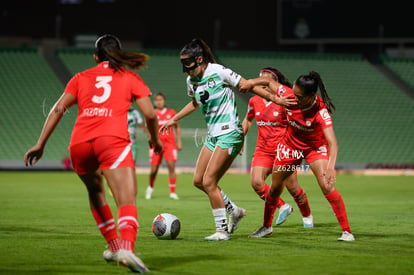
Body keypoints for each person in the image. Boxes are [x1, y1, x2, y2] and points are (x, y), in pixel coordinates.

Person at [24, 34, 163, 272]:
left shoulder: (80, 77)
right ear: (118, 54)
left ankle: (114, 246)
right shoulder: (130, 78)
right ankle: (127, 250)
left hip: (79, 143)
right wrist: (154, 139)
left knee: (96, 191)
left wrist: (40, 144)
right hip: (112, 141)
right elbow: (150, 115)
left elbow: (58, 109)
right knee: (126, 198)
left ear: (95, 56)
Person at [159, 38, 295, 241]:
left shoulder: (219, 71)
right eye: (184, 66)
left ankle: (222, 231)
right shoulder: (191, 81)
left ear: (199, 59)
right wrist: (173, 119)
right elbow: (196, 103)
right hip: (213, 135)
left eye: (189, 66)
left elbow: (247, 85)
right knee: (198, 181)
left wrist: (276, 99)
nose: (186, 71)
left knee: (209, 181)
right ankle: (235, 211)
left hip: (230, 132)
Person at [250, 71, 355, 241]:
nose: (294, 99)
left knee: (326, 186)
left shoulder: (320, 112)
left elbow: (332, 142)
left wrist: (330, 167)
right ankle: (266, 227)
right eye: (294, 92)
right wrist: (250, 83)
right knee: (275, 187)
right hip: (290, 145)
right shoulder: (290, 94)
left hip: (314, 148)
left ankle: (347, 232)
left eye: (299, 96)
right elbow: (268, 83)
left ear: (311, 96)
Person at [242, 67, 313, 232]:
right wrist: (238, 140)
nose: (263, 83)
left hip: (284, 151)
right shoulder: (254, 101)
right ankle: (283, 206)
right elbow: (247, 121)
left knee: (293, 188)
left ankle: (307, 215)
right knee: (256, 182)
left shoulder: (285, 102)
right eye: (260, 79)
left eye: (266, 80)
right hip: (263, 150)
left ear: (275, 83)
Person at [146, 92, 182, 200]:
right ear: (154, 102)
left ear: (164, 101)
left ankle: (172, 192)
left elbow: (177, 127)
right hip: (156, 144)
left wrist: (179, 141)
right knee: (154, 170)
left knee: (171, 167)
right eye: (156, 100)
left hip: (169, 144)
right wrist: (151, 139)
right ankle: (150, 187)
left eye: (161, 100)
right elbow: (149, 129)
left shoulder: (171, 112)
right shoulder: (152, 114)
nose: (159, 102)